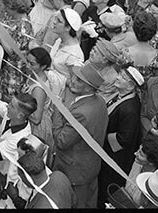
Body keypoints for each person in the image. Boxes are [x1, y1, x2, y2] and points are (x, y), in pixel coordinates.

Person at [51, 63, 108, 208]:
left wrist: (58, 110)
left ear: (89, 88)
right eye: (74, 77)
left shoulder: (82, 113)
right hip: (89, 168)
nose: (73, 82)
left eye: (79, 80)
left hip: (73, 172)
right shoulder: (99, 101)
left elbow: (61, 141)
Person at [98, 65, 144, 204]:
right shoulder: (121, 96)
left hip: (114, 158)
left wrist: (101, 136)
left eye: (122, 77)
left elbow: (124, 138)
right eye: (120, 74)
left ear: (130, 85)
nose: (117, 77)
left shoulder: (130, 109)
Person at [0, 93, 37, 200]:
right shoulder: (10, 113)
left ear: (19, 115)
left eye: (11, 106)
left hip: (3, 176)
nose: (7, 106)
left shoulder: (18, 139)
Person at [23, 47, 66, 164]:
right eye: (27, 61)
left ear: (42, 66)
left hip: (37, 128)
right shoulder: (34, 75)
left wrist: (20, 107)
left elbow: (36, 118)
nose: (27, 66)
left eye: (32, 64)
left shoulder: (38, 89)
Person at [125, 134, 158, 206]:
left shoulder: (157, 183)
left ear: (151, 162)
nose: (135, 153)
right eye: (138, 150)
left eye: (141, 155)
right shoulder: (137, 163)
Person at [47, 8, 84, 79]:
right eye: (55, 18)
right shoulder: (59, 40)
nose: (54, 22)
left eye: (59, 21)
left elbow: (73, 82)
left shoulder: (74, 56)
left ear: (68, 28)